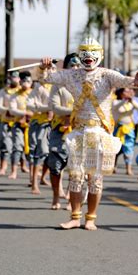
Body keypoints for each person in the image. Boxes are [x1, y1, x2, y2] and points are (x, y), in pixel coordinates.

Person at [40, 37, 138, 230]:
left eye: (93, 52)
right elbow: (47, 78)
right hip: (78, 132)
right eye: (85, 53)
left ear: (100, 54)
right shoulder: (71, 75)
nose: (89, 57)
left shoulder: (107, 75)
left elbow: (127, 82)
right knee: (75, 176)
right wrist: (44, 67)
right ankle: (75, 217)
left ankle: (91, 218)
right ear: (80, 54)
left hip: (100, 132)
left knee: (95, 178)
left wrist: (136, 80)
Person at [47, 53, 78, 209]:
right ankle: (55, 196)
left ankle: (71, 200)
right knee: (55, 165)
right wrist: (74, 111)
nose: (75, 68)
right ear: (65, 67)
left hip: (78, 130)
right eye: (72, 65)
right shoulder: (57, 85)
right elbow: (55, 107)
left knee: (76, 167)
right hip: (59, 130)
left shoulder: (86, 85)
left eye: (78, 65)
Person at [26, 76, 52, 194]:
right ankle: (34, 182)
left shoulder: (61, 86)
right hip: (40, 123)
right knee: (38, 152)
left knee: (54, 155)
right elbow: (30, 104)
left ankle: (44, 178)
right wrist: (47, 108)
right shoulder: (39, 87)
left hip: (58, 125)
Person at [8, 71, 33, 180]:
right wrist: (24, 113)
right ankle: (14, 171)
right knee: (17, 147)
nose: (26, 83)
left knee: (32, 149)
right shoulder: (15, 95)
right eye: (23, 81)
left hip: (32, 125)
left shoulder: (34, 93)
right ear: (20, 81)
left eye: (28, 81)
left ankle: (33, 175)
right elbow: (12, 110)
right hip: (18, 124)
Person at [0, 71, 20, 175]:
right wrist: (8, 110)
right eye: (12, 77)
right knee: (5, 145)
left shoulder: (22, 91)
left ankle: (17, 168)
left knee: (18, 146)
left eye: (16, 77)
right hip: (5, 121)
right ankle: (3, 167)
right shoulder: (3, 91)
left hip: (19, 122)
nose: (14, 79)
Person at [112, 87, 138, 175]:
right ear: (120, 93)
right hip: (119, 129)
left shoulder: (130, 103)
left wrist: (131, 100)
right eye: (126, 91)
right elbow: (118, 107)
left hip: (129, 129)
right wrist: (124, 100)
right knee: (116, 149)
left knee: (129, 148)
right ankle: (113, 166)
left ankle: (128, 168)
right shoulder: (116, 102)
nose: (129, 92)